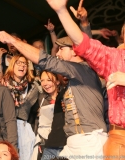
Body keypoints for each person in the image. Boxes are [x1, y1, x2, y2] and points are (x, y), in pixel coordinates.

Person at [0, 17, 108, 160]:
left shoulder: (81, 70)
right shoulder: (76, 77)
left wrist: (14, 41)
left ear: (75, 52)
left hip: (88, 140)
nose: (57, 54)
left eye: (61, 49)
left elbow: (46, 60)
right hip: (75, 141)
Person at [44, 0, 125, 159]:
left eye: (62, 49)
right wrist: (62, 12)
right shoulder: (115, 58)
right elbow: (86, 47)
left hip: (91, 138)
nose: (59, 54)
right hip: (119, 138)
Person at [0, 54, 40, 160]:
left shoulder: (33, 87)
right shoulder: (2, 85)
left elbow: (37, 108)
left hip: (25, 128)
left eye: (25, 64)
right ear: (12, 65)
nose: (22, 66)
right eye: (19, 63)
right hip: (6, 128)